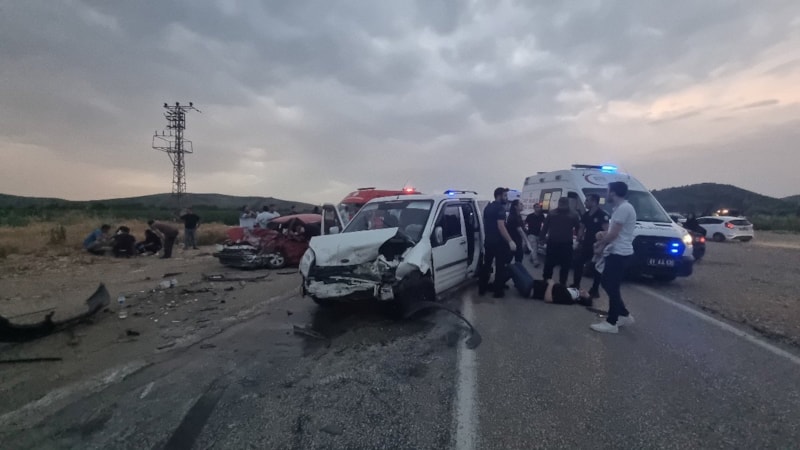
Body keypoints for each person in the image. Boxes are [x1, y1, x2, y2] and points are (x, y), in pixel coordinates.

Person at [590, 182, 637, 334]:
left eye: (608, 191)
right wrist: (602, 235)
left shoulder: (623, 208)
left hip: (619, 253)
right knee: (608, 283)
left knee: (611, 285)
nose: (606, 194)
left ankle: (611, 323)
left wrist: (600, 245)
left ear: (613, 193)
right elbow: (614, 232)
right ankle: (623, 315)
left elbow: (614, 234)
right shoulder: (619, 208)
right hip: (618, 251)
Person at [478, 187, 516, 298]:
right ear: (499, 196)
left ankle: (482, 288)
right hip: (499, 243)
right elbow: (501, 226)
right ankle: (498, 291)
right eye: (505, 196)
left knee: (487, 265)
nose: (506, 198)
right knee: (500, 267)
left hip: (488, 241)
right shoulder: (500, 209)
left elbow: (486, 223)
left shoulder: (488, 207)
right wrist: (510, 241)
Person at [573, 194, 609, 297]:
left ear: (594, 202)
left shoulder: (602, 215)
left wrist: (602, 245)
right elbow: (581, 228)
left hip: (597, 245)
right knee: (578, 262)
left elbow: (607, 231)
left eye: (587, 201)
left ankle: (595, 289)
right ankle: (576, 284)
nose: (585, 203)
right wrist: (578, 241)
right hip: (586, 244)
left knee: (596, 267)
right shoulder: (586, 215)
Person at [540, 197, 580, 286]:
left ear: (567, 204)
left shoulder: (573, 214)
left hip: (566, 244)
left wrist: (578, 240)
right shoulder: (552, 213)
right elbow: (545, 227)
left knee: (565, 266)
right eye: (560, 203)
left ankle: (562, 284)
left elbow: (578, 228)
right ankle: (546, 281)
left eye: (563, 204)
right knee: (549, 264)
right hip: (552, 243)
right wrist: (542, 238)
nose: (561, 206)